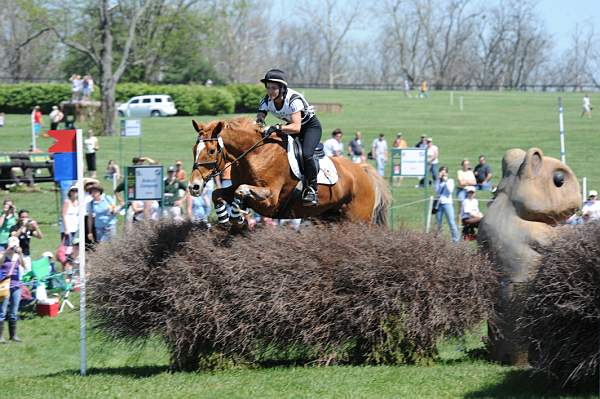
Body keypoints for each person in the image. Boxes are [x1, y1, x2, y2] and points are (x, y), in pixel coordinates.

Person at [256, 68, 321, 206]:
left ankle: (312, 189)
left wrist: (277, 127)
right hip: (289, 126)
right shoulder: (266, 100)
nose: (270, 91)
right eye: (268, 88)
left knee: (306, 154)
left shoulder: (293, 100)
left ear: (282, 88)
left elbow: (296, 127)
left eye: (274, 88)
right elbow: (261, 115)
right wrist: (260, 122)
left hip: (309, 128)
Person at [0, 236, 26, 343]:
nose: (13, 246)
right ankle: (0, 337)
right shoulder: (2, 254)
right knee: (2, 311)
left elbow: (24, 266)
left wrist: (20, 254)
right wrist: (6, 252)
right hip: (4, 285)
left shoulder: (17, 255)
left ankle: (13, 336)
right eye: (12, 244)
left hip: (16, 286)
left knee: (14, 311)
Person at [435, 166, 459, 242]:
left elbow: (450, 190)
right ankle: (439, 240)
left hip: (448, 203)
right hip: (439, 204)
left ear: (447, 173)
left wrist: (445, 181)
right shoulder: (438, 181)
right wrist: (438, 180)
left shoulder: (450, 181)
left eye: (444, 171)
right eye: (441, 171)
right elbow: (437, 191)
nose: (443, 173)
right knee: (438, 223)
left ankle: (456, 240)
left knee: (451, 222)